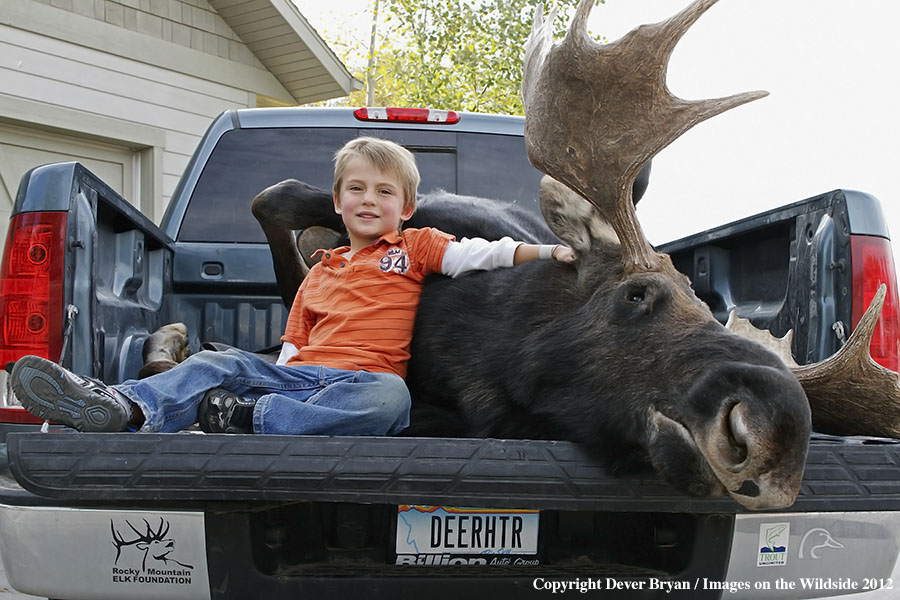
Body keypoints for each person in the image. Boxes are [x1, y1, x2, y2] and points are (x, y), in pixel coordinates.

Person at [10, 136, 576, 436]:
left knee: (389, 400)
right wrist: (277, 371)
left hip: (365, 380)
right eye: (356, 189)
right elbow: (294, 337)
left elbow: (485, 252)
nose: (369, 201)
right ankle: (118, 405)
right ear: (336, 205)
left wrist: (551, 250)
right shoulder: (323, 268)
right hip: (302, 376)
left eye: (384, 193)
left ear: (408, 208)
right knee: (218, 364)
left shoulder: (418, 247)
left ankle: (238, 417)